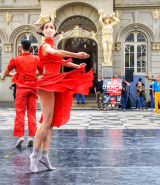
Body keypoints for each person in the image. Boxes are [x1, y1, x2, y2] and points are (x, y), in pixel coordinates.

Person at [16, 22, 93, 173]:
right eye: (46, 28)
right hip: (47, 83)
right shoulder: (45, 45)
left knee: (50, 123)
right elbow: (57, 54)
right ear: (43, 32)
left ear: (56, 31)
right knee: (46, 122)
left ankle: (44, 156)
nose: (49, 29)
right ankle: (34, 155)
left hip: (56, 81)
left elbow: (59, 60)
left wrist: (76, 66)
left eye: (52, 27)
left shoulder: (52, 46)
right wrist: (76, 55)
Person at [4, 40, 44, 148]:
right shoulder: (36, 58)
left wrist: (16, 73)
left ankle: (20, 136)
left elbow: (6, 73)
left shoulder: (15, 59)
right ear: (30, 48)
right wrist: (31, 74)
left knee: (19, 113)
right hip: (32, 88)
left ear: (20, 47)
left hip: (21, 89)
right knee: (32, 113)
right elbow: (41, 72)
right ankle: (31, 136)